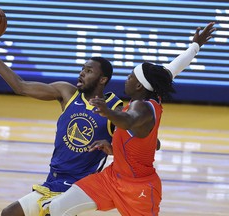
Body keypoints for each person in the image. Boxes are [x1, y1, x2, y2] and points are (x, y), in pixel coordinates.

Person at [49, 22, 216, 216]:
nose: (127, 79)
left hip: (139, 189)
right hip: (111, 178)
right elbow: (173, 68)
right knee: (58, 207)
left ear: (139, 86)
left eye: (131, 77)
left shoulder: (143, 107)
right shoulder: (151, 94)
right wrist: (195, 46)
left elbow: (128, 120)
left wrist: (107, 111)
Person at [0, 31, 123, 216]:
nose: (82, 73)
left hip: (80, 188)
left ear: (103, 80)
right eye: (83, 69)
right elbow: (21, 86)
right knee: (9, 213)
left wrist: (113, 148)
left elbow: (131, 148)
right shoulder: (67, 93)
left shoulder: (115, 109)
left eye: (89, 71)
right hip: (53, 180)